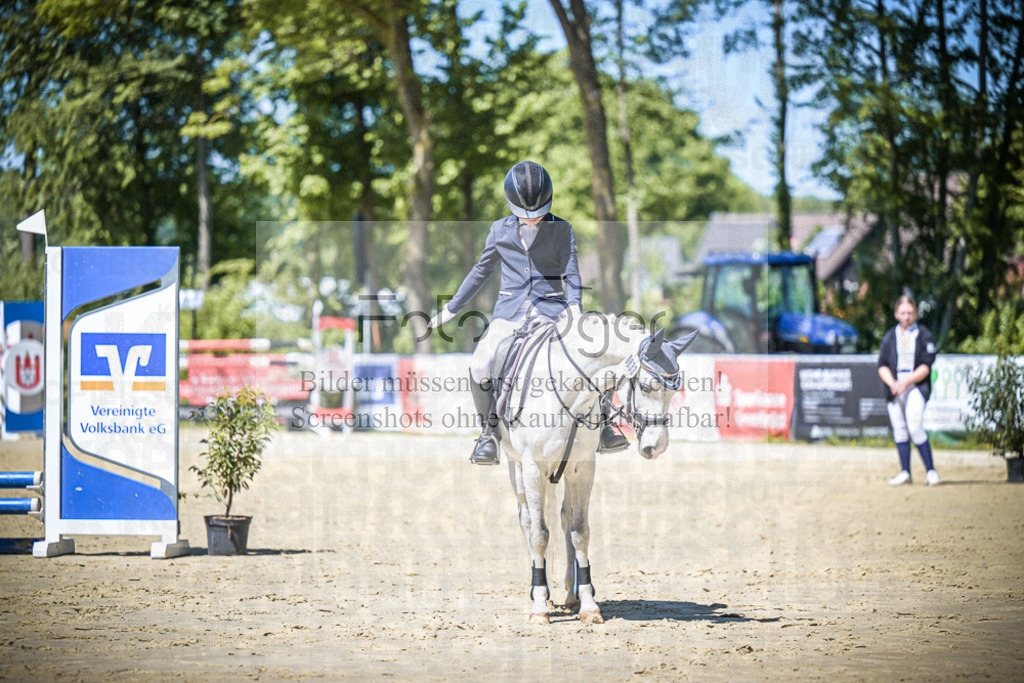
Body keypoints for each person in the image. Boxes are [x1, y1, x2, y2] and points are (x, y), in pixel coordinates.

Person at [427, 160, 628, 465]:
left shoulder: (562, 229)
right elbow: (480, 272)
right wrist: (451, 308)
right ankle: (488, 435)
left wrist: (574, 308)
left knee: (594, 353)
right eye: (525, 214)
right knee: (480, 364)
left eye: (539, 212)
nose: (533, 219)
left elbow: (571, 273)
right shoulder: (498, 230)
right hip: (510, 314)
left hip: (554, 309)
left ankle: (604, 427)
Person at [877, 294, 940, 486]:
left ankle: (930, 470)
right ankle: (905, 471)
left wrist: (906, 383)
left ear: (916, 314)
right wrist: (893, 383)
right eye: (903, 313)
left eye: (910, 313)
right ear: (896, 314)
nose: (906, 316)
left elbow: (926, 366)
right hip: (895, 387)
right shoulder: (890, 337)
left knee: (914, 425)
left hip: (915, 386)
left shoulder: (923, 335)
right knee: (900, 429)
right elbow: (882, 365)